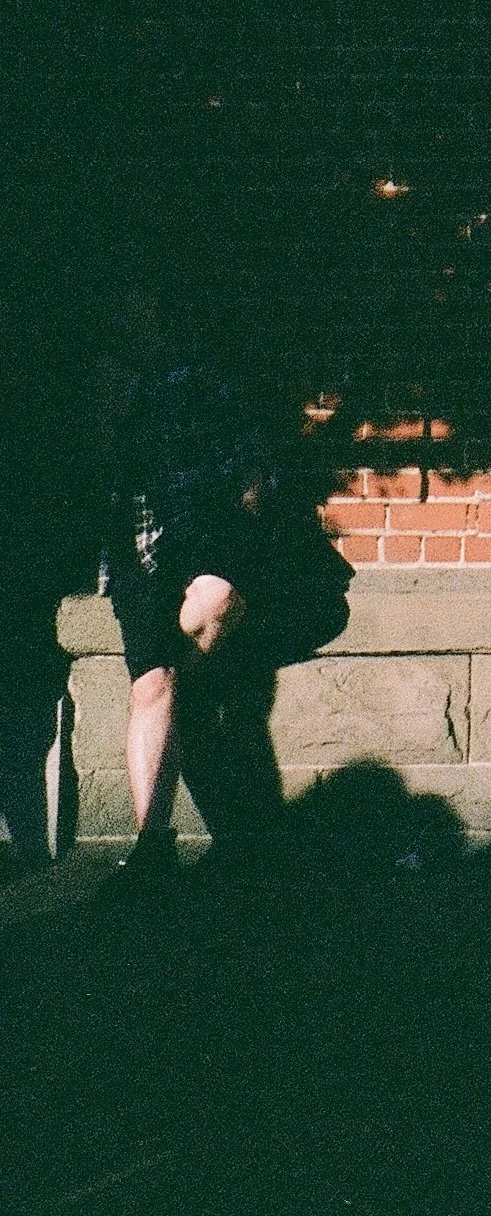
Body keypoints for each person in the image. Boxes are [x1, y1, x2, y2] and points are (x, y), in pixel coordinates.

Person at [100, 298, 284, 885]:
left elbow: (254, 466)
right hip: (137, 550)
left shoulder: (205, 376)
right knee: (152, 686)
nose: (127, 319)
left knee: (208, 620)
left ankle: (239, 838)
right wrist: (110, 417)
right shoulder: (107, 379)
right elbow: (91, 469)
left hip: (208, 541)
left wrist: (239, 536)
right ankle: (153, 846)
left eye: (138, 306)